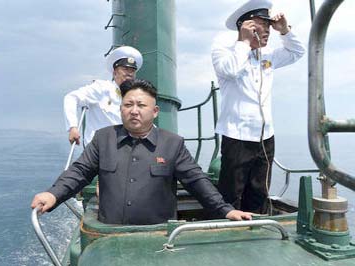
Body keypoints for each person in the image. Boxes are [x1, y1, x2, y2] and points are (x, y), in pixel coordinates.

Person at [31, 79, 253, 225]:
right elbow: (79, 172)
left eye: (141, 105)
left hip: (156, 238)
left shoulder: (172, 144)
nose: (134, 111)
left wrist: (226, 210)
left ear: (155, 111)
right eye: (128, 105)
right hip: (111, 235)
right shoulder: (103, 138)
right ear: (121, 109)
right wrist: (53, 194)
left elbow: (197, 181)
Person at [211, 0, 305, 213]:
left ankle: (256, 235)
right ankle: (229, 239)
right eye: (264, 25)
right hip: (237, 137)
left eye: (270, 26)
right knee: (231, 194)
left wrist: (285, 31)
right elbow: (231, 70)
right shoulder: (224, 51)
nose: (268, 31)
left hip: (265, 137)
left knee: (259, 193)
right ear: (248, 26)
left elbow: (297, 52)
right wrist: (243, 42)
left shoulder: (267, 55)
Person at [64, 46, 143, 146]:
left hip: (124, 151)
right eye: (125, 69)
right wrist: (72, 127)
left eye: (132, 70)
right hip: (98, 151)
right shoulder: (102, 88)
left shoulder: (134, 97)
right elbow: (71, 98)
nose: (129, 74)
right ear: (115, 73)